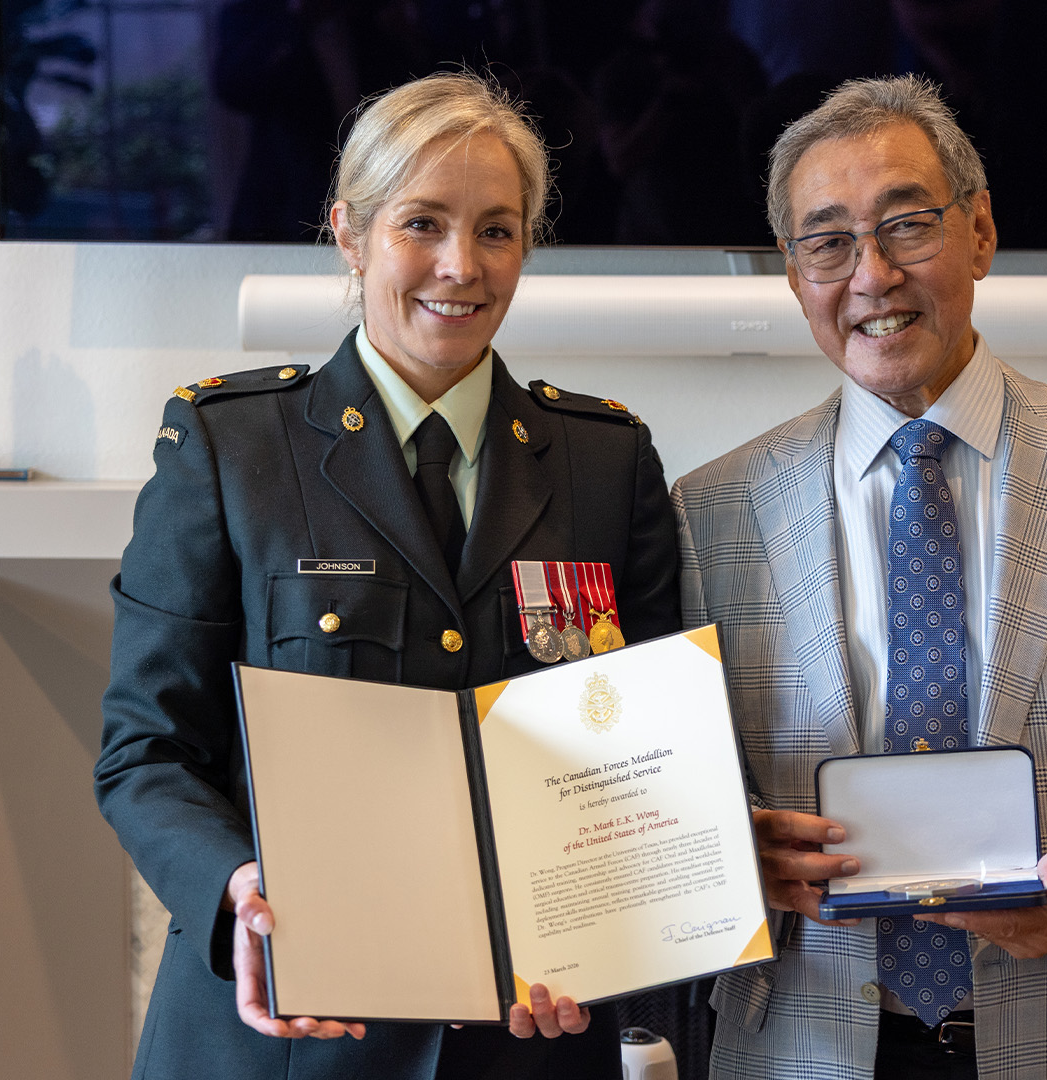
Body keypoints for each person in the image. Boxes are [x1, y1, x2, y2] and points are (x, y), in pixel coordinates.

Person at [669, 76, 1047, 1079]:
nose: (871, 274)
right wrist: (736, 851)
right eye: (827, 242)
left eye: (906, 224)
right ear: (795, 278)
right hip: (811, 1045)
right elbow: (679, 802)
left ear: (981, 234)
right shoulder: (711, 511)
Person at [96, 72, 680, 1080]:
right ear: (351, 235)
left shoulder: (606, 461)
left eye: (497, 230)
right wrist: (235, 887)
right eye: (422, 223)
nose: (462, 265)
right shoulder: (229, 448)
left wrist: (614, 929)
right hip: (288, 1034)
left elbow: (654, 757)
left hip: (529, 1036)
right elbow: (143, 752)